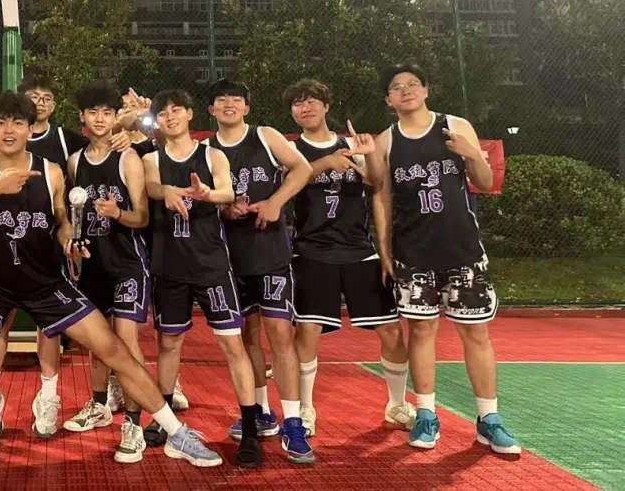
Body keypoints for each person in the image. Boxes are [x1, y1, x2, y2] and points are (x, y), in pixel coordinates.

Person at [0, 91, 222, 482]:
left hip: (46, 283)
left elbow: (62, 222)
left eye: (18, 123)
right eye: (1, 123)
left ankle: (177, 434)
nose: (9, 130)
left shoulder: (51, 172)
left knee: (115, 350)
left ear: (30, 129)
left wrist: (68, 241)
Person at [368, 63, 521, 455]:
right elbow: (382, 198)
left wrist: (472, 154)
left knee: (477, 334)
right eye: (397, 87)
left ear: (426, 90)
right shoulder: (387, 141)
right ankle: (426, 414)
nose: (406, 91)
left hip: (463, 250)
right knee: (421, 332)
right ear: (388, 99)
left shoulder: (454, 126)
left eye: (413, 84)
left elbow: (485, 182)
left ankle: (489, 419)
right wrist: (384, 249)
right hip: (414, 253)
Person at [0, 73, 131, 438]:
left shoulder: (64, 140)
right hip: (1, 248)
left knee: (49, 326)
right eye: (33, 96)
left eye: (46, 98)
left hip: (47, 250)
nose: (40, 102)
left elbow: (102, 140)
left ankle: (48, 397)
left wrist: (128, 131)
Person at [284, 78, 416, 436]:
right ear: (292, 112)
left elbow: (376, 182)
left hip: (358, 249)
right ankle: (305, 410)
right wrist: (326, 163)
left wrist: (369, 154)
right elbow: (289, 183)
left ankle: (397, 405)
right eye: (298, 103)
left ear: (326, 105)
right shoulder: (291, 150)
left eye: (312, 101)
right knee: (307, 330)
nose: (306, 108)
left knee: (391, 331)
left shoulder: (351, 144)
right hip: (311, 249)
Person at [141, 89, 264, 469]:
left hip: (211, 266)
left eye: (177, 109)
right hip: (169, 267)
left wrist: (206, 194)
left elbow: (227, 191)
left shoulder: (212, 155)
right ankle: (163, 420)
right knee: (168, 344)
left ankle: (250, 427)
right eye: (163, 112)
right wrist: (167, 190)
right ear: (158, 121)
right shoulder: (151, 159)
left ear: (191, 114)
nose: (171, 116)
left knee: (232, 345)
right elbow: (150, 186)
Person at [203, 79, 316, 464]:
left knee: (280, 334)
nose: (229, 104)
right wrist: (225, 210)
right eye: (222, 100)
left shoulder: (265, 136)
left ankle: (294, 423)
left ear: (246, 108)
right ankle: (262, 412)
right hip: (230, 259)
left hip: (271, 254)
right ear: (211, 110)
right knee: (247, 337)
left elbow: (302, 169)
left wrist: (275, 202)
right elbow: (208, 202)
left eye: (236, 99)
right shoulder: (207, 151)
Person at [62, 81, 152, 463]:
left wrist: (118, 214)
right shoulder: (75, 162)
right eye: (93, 112)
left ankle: (133, 423)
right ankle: (99, 405)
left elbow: (142, 216)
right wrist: (73, 242)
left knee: (126, 344)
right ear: (82, 116)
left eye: (107, 112)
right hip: (94, 264)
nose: (100, 119)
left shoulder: (127, 158)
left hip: (127, 263)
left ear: (116, 117)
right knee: (97, 342)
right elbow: (74, 214)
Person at [104, 90, 192, 415]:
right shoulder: (113, 144)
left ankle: (171, 382)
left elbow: (166, 138)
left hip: (162, 237)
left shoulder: (157, 144)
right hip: (122, 241)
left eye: (137, 106)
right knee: (118, 322)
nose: (132, 111)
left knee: (165, 321)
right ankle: (117, 381)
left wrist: (143, 120)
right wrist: (124, 123)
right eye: (124, 108)